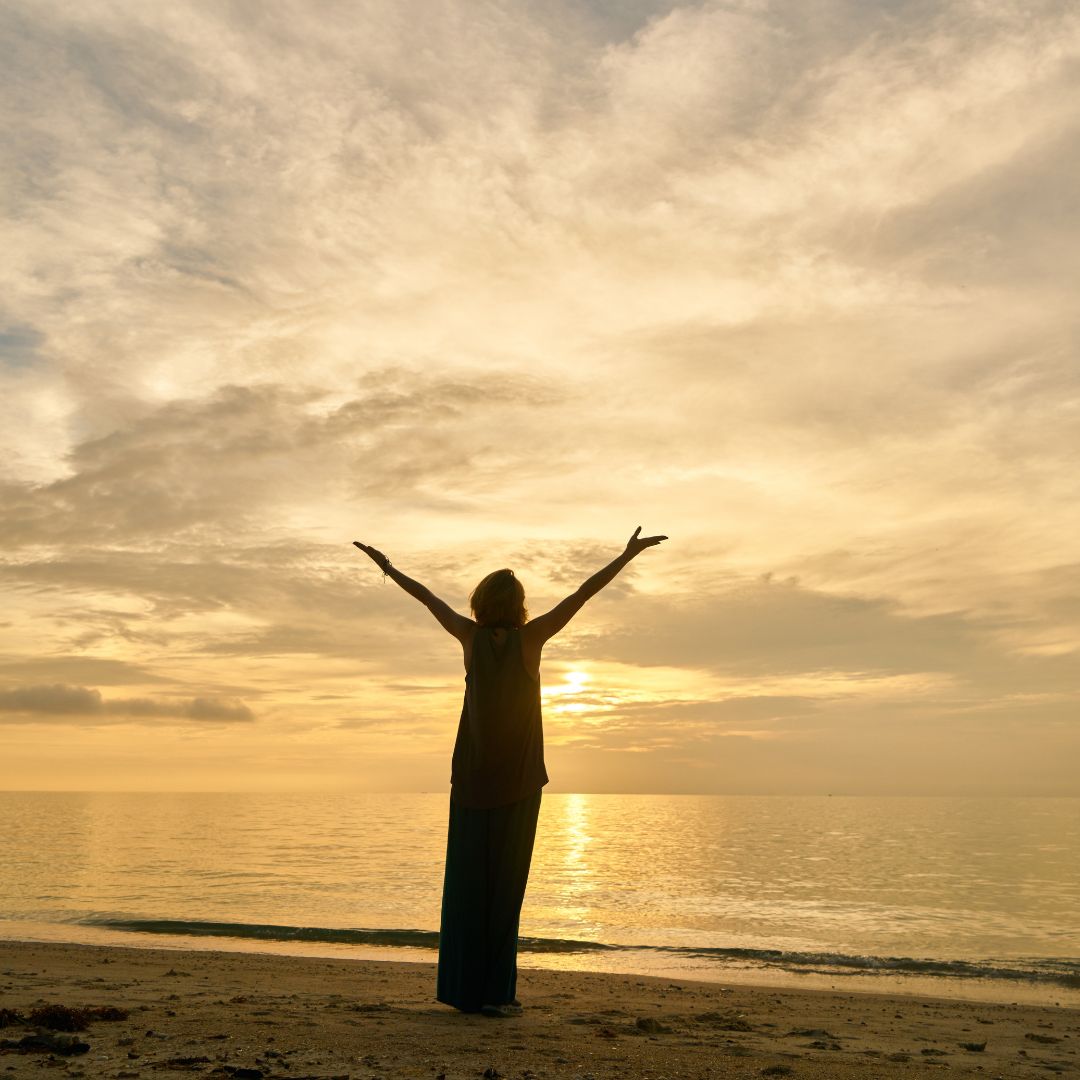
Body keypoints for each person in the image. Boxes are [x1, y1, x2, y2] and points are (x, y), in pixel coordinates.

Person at [351, 527, 667, 1017]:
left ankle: (462, 992)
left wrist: (390, 569)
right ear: (518, 605)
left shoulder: (469, 636)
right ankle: (497, 994)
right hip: (519, 785)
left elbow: (427, 598)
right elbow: (581, 594)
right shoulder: (532, 637)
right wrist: (626, 556)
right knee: (504, 892)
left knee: (465, 888)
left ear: (479, 603)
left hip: (472, 782)